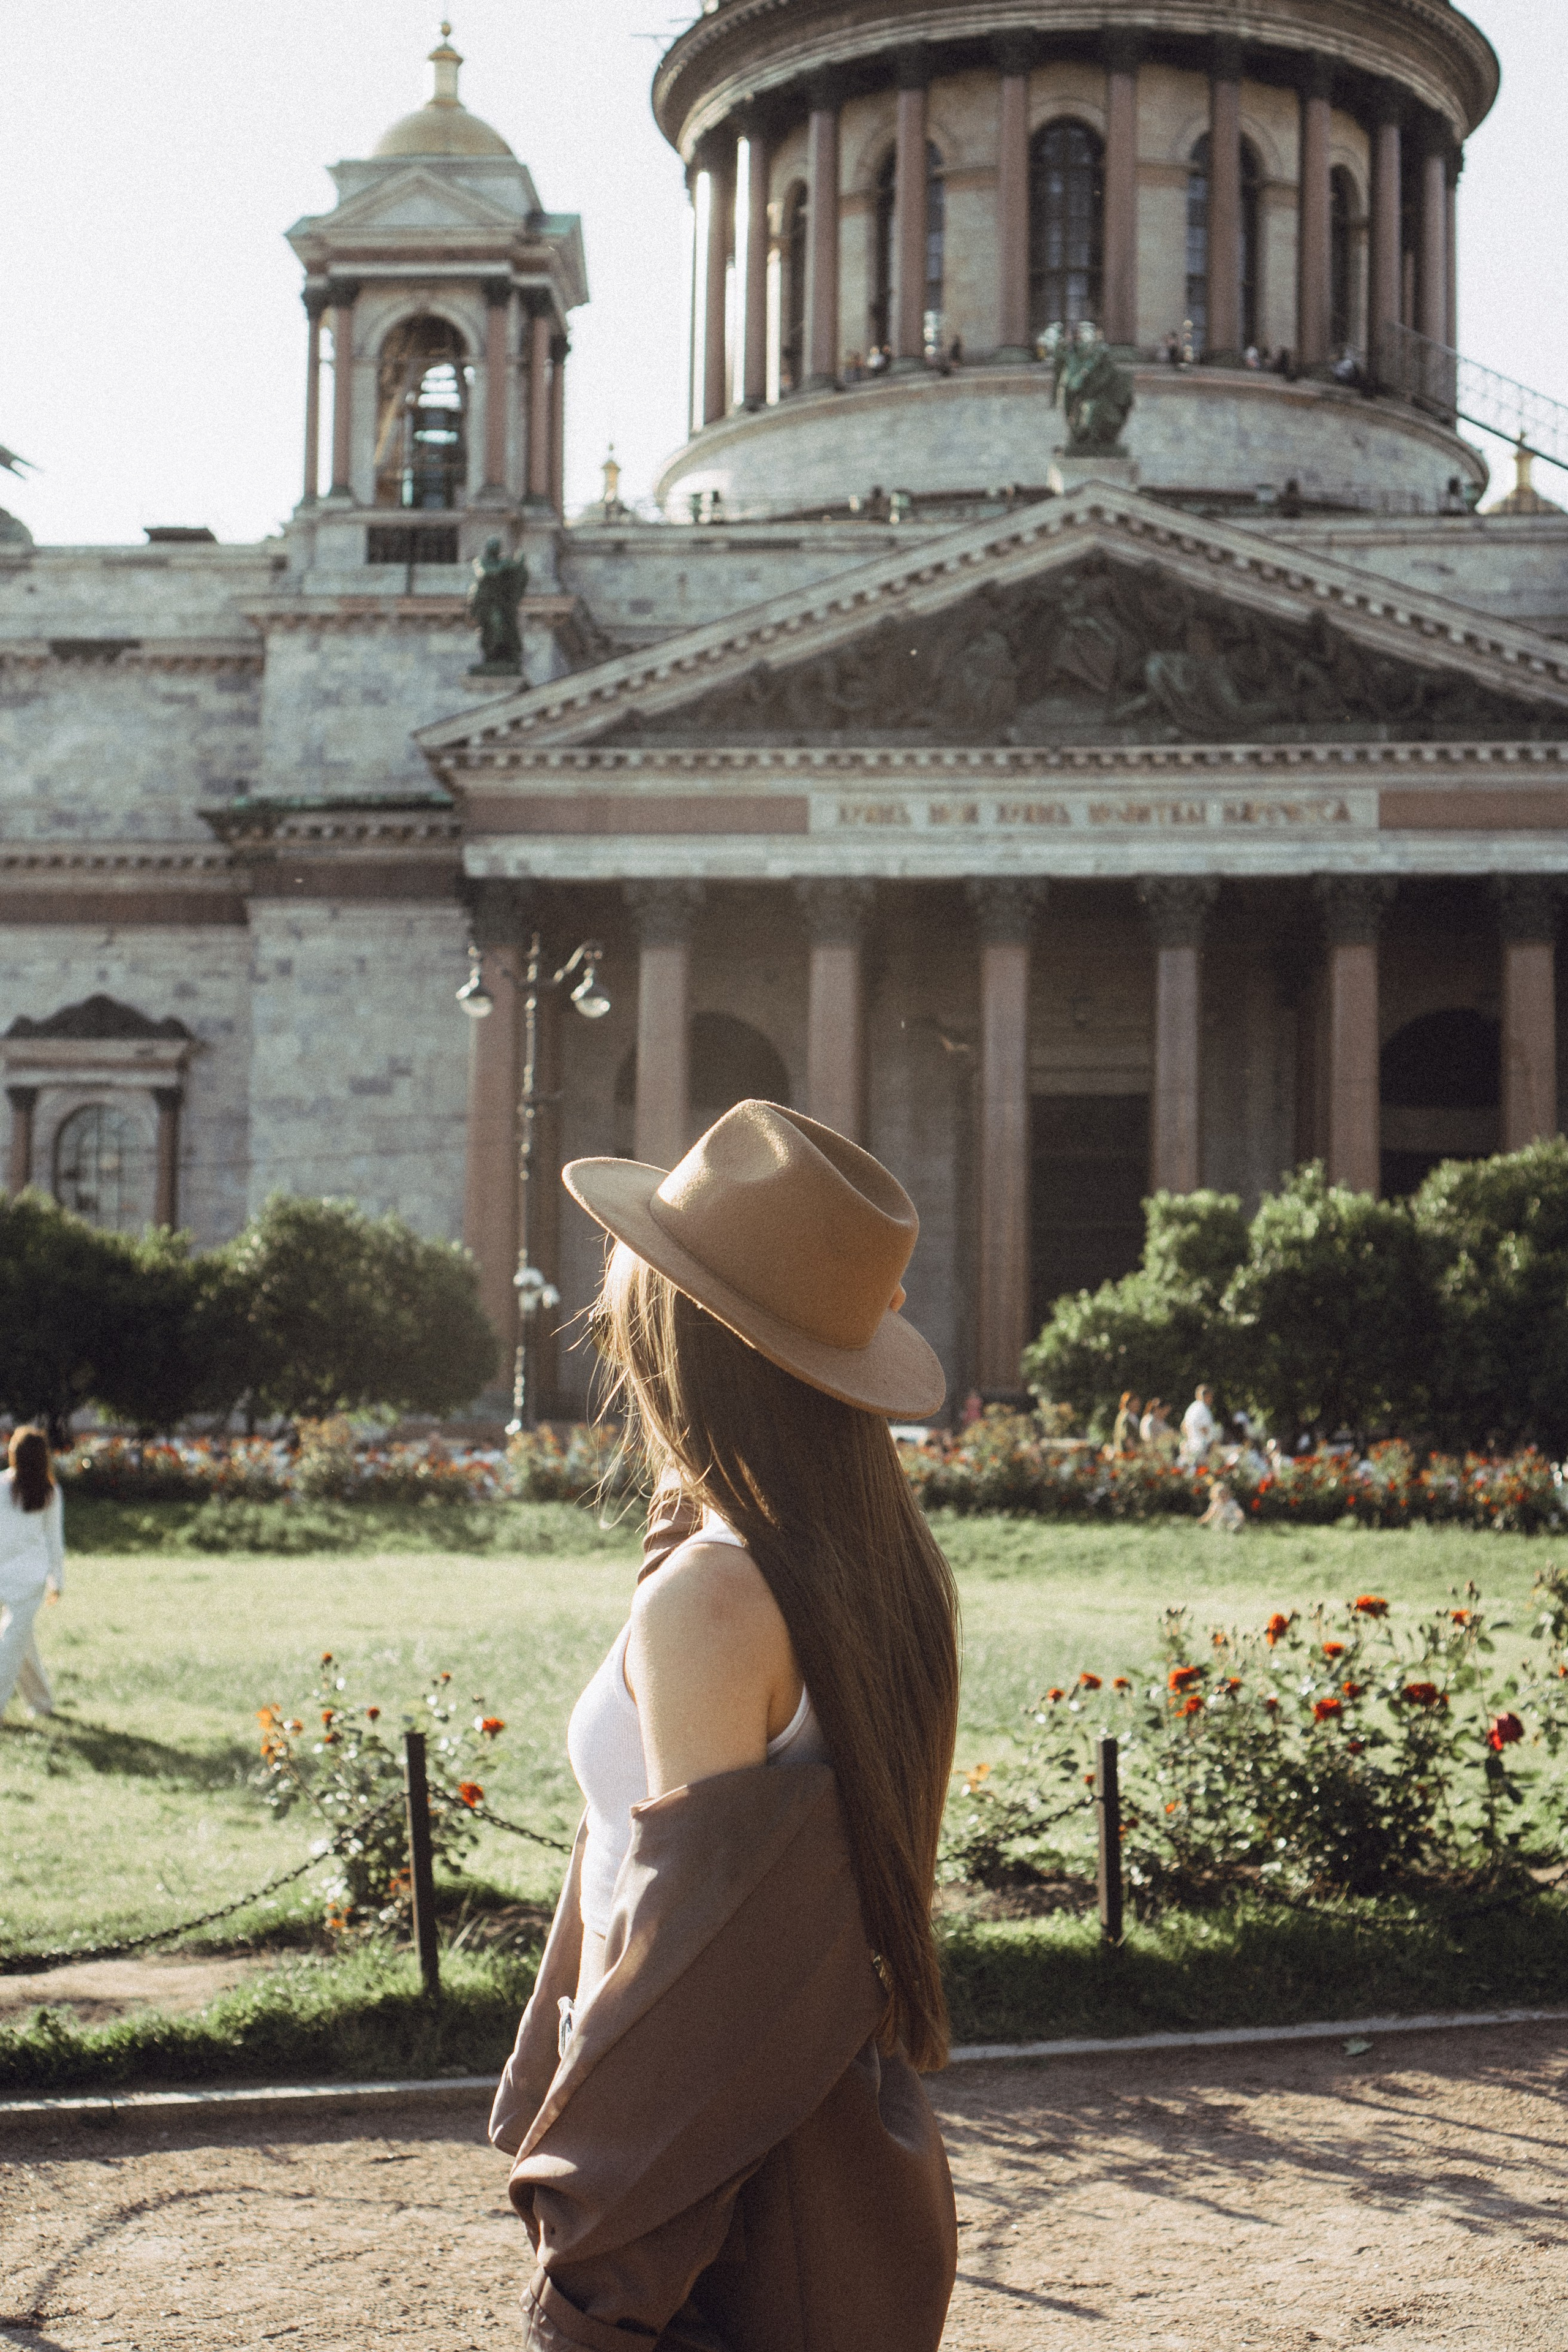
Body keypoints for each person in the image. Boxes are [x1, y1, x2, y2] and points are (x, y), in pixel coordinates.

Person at [490, 1099, 960, 2351]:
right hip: (821, 2154)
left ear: (681, 1336)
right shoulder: (873, 1566)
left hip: (711, 2209)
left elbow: (698, 1981)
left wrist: (593, 2285)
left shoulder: (712, 1603)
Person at [0, 1428, 64, 1720]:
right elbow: (54, 1540)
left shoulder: (48, 1492)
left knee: (10, 1642)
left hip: (25, 1578)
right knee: (17, 1641)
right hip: (24, 1577)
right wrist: (56, 1580)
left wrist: (57, 1581)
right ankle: (41, 1703)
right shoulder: (47, 1491)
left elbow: (53, 1538)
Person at [1181, 1384, 1218, 1466]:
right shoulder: (1203, 1408)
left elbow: (1183, 1426)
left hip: (1190, 1445)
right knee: (1202, 1470)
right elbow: (1204, 1429)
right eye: (1211, 1397)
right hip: (1201, 1447)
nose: (1212, 1399)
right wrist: (1212, 1443)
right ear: (1207, 1396)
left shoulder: (1192, 1408)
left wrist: (1190, 1438)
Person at [1110, 1391, 1142, 1455]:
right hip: (1127, 1454)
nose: (1138, 1405)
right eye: (1136, 1403)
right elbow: (1127, 1439)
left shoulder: (1133, 1417)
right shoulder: (1125, 1417)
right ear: (1129, 1403)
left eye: (1139, 1403)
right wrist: (1137, 1453)